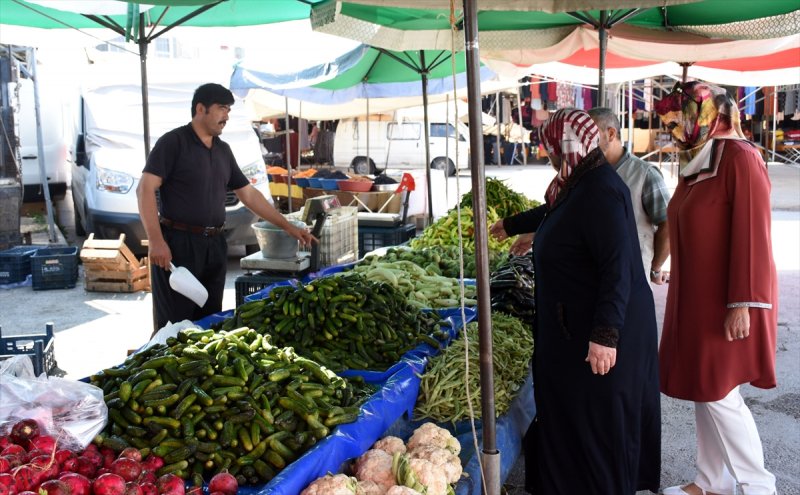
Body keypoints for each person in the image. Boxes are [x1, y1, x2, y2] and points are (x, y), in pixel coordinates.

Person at [525, 108, 661, 493]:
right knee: (577, 426)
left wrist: (605, 335)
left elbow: (617, 267)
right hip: (576, 323)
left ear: (564, 145)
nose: (548, 156)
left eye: (550, 148)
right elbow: (557, 214)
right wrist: (515, 225)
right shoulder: (580, 182)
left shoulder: (599, 189)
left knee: (597, 432)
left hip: (600, 332)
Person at [655, 82, 778, 495]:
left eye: (681, 118)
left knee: (720, 391)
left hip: (727, 298)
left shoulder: (741, 158)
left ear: (707, 115)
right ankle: (711, 481)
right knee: (705, 389)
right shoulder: (703, 158)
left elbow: (753, 234)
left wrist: (742, 302)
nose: (674, 128)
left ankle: (758, 484)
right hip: (696, 296)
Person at [137, 83, 315, 331]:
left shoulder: (223, 150)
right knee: (174, 328)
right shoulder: (173, 143)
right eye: (222, 109)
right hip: (178, 245)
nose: (227, 117)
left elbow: (249, 195)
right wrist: (156, 241)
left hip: (215, 246)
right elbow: (145, 189)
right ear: (201, 109)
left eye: (229, 110)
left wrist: (287, 226)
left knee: (210, 322)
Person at [491, 107, 672, 286]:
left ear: (610, 134)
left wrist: (655, 267)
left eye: (591, 134)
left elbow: (668, 224)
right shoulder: (582, 171)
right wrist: (524, 229)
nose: (583, 141)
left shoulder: (643, 174)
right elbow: (565, 212)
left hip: (628, 278)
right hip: (591, 276)